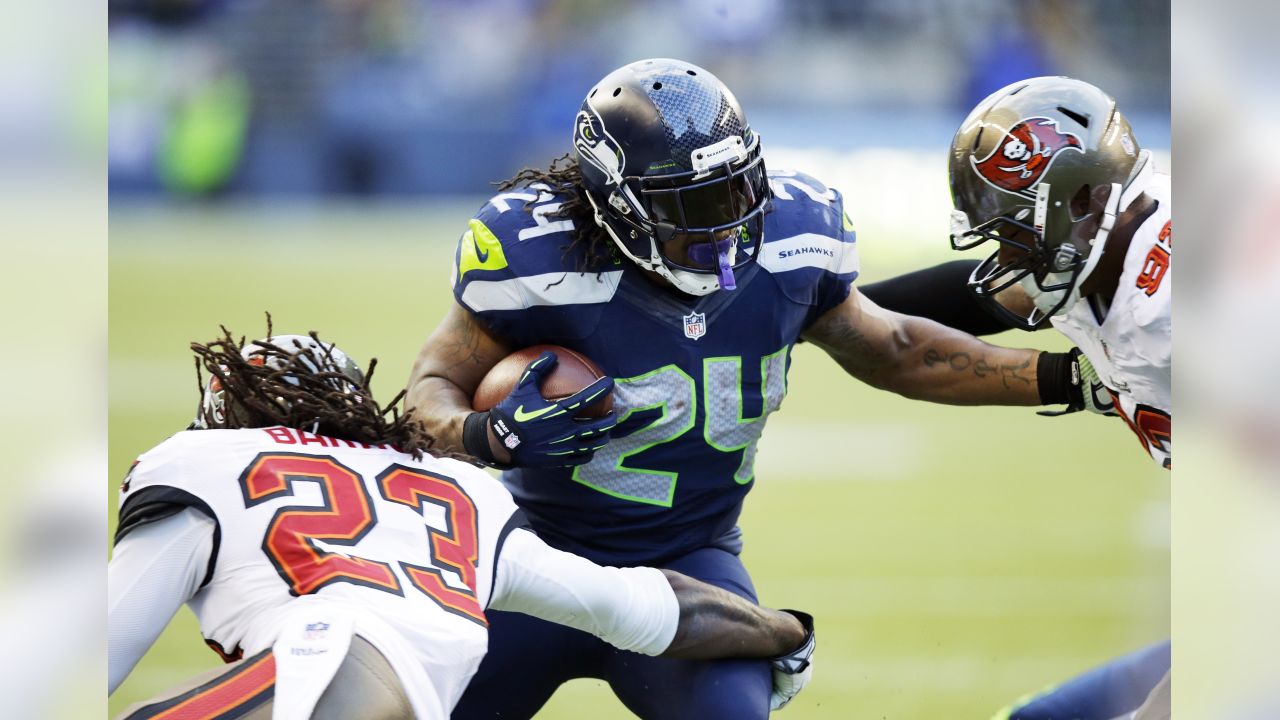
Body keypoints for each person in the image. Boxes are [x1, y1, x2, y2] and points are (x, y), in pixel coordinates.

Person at [406, 58, 1098, 720]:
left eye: (736, 190)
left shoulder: (792, 235)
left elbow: (900, 349)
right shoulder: (533, 255)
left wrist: (1073, 378)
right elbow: (432, 386)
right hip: (533, 561)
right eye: (693, 203)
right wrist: (481, 433)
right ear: (615, 202)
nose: (725, 225)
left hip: (691, 563)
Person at [108, 328, 817, 720]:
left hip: (323, 679)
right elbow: (642, 603)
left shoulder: (207, 459)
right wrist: (786, 630)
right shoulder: (455, 489)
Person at [942, 76, 1171, 719]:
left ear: (1087, 203)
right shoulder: (1113, 248)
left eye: (1018, 230)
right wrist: (823, 310)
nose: (1007, 256)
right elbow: (965, 301)